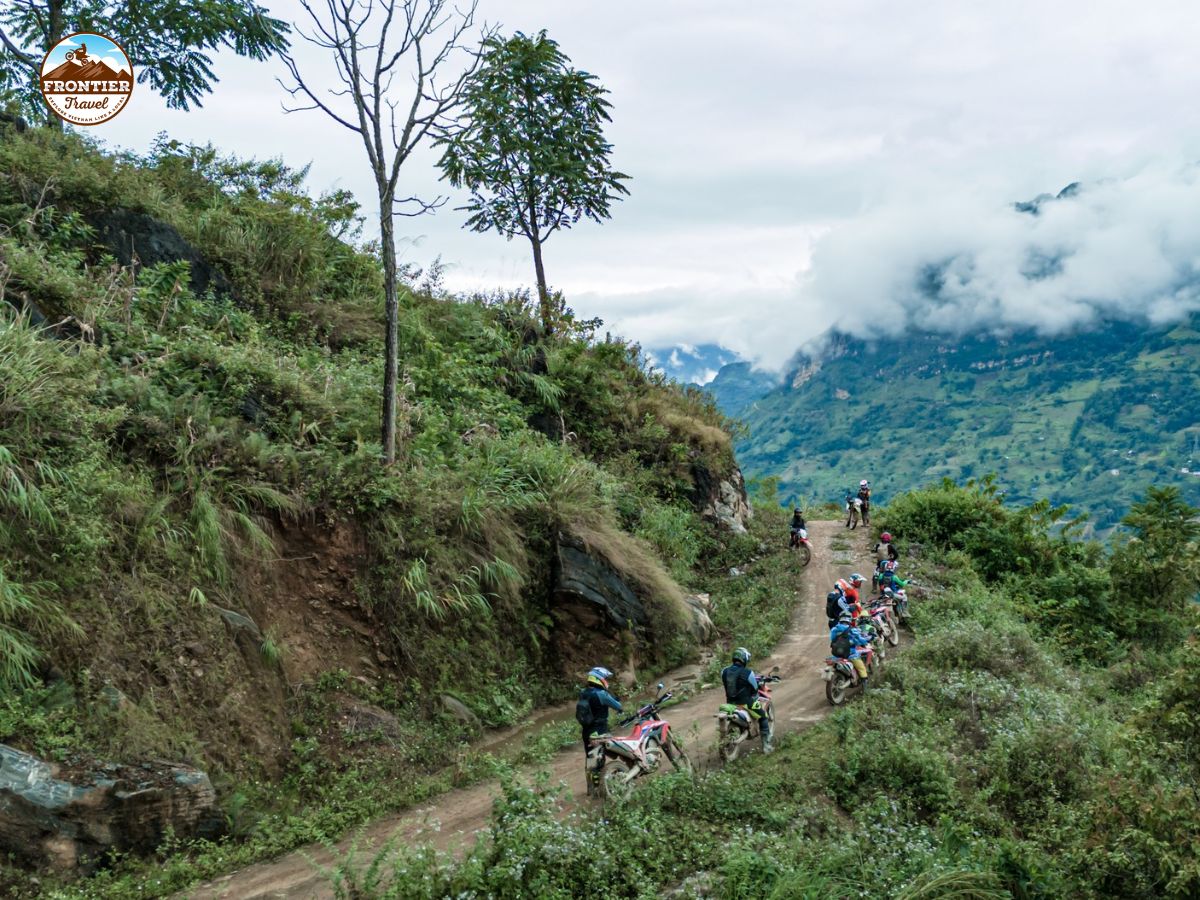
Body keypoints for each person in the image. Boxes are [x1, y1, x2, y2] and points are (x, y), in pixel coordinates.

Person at [577, 666, 622, 795]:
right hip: (599, 731)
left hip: (586, 731)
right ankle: (599, 791)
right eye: (606, 678)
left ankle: (591, 789)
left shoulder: (583, 693)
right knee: (599, 761)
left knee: (590, 759)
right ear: (600, 679)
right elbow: (618, 706)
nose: (607, 680)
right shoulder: (601, 694)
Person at [721, 647, 772, 753]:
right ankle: (766, 746)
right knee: (763, 715)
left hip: (731, 703)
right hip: (746, 704)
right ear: (744, 659)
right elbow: (755, 689)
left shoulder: (724, 671)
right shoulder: (748, 673)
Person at [830, 612, 872, 689]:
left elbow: (832, 639)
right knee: (862, 669)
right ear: (849, 619)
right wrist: (866, 641)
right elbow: (860, 639)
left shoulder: (834, 629)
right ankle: (866, 689)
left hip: (836, 654)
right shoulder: (853, 630)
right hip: (851, 654)